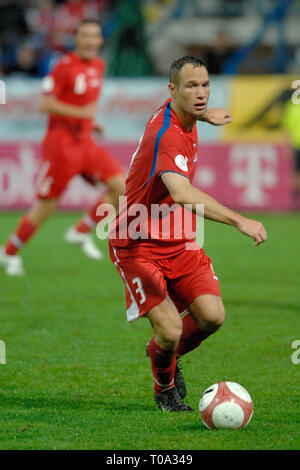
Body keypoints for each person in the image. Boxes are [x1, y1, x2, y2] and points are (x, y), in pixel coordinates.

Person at [109, 55, 267, 412]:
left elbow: (186, 110)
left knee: (212, 316)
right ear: (172, 90)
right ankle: (164, 387)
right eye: (191, 87)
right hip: (137, 243)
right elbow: (182, 193)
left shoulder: (183, 113)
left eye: (205, 85)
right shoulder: (166, 135)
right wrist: (241, 221)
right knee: (170, 332)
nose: (201, 93)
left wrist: (203, 114)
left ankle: (163, 356)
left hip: (177, 239)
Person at [0, 19, 125, 276]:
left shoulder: (99, 66)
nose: (90, 41)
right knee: (48, 205)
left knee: (122, 186)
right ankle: (9, 251)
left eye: (95, 36)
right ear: (76, 39)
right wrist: (82, 114)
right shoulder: (63, 66)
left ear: (101, 40)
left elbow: (82, 105)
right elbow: (46, 103)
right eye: (85, 36)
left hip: (86, 143)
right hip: (61, 146)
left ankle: (80, 231)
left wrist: (93, 122)